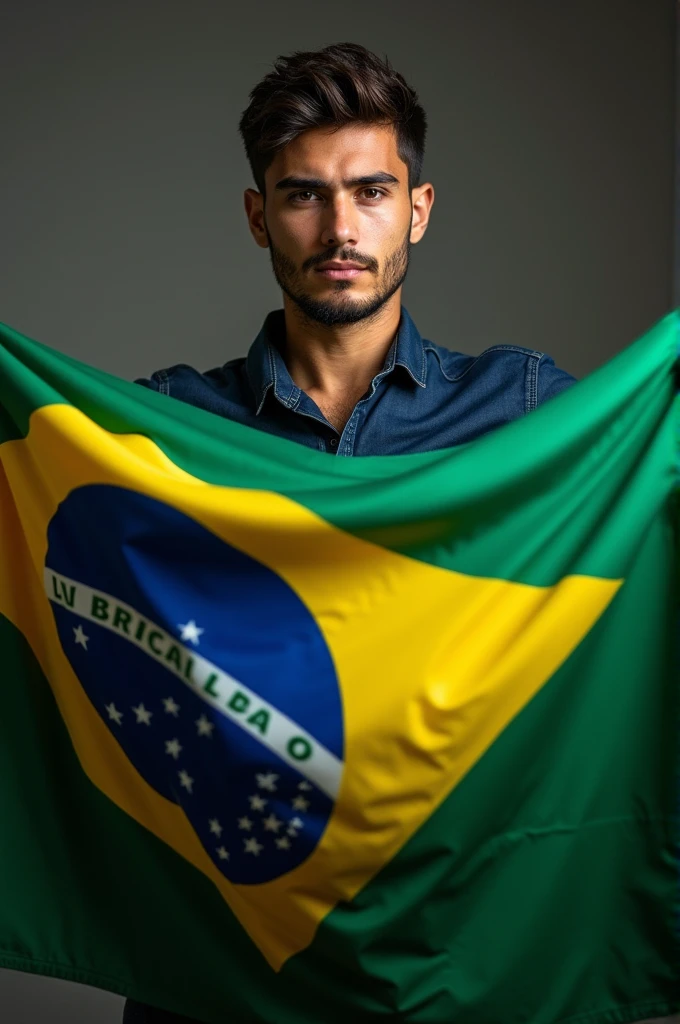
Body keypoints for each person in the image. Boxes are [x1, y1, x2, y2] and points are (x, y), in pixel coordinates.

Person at [122, 40, 576, 1024]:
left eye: (370, 192)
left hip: (452, 954)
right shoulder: (163, 430)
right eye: (303, 196)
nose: (339, 228)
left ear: (416, 207)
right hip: (220, 966)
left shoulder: (529, 410)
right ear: (257, 217)